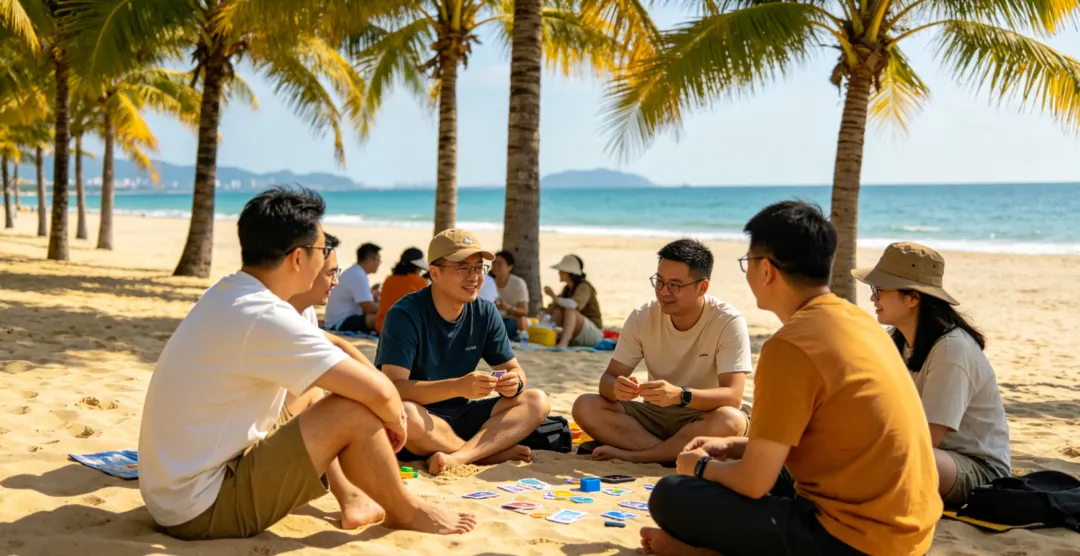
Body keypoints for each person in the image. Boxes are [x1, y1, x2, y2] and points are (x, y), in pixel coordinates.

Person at [139, 187, 476, 541]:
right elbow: (378, 392)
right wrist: (394, 420)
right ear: (298, 257)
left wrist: (384, 408)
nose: (325, 260)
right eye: (321, 250)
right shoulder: (263, 315)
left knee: (320, 394)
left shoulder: (232, 293)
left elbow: (339, 357)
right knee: (352, 408)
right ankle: (407, 511)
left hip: (176, 494)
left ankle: (355, 496)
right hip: (201, 509)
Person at [641, 201, 941, 556]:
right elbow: (819, 442)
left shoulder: (790, 346)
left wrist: (702, 465)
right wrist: (734, 446)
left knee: (671, 495)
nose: (748, 273)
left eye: (747, 263)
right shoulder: (860, 322)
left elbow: (754, 483)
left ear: (766, 269)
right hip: (913, 535)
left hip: (853, 541)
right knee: (745, 475)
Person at [376, 228, 551, 476]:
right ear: (435, 273)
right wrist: (458, 386)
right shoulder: (404, 315)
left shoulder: (485, 312)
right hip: (421, 421)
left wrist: (514, 383)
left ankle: (463, 456)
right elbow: (393, 387)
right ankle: (488, 454)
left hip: (462, 416)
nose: (474, 277)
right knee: (404, 413)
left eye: (479, 268)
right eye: (463, 268)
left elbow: (515, 371)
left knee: (536, 400)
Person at [853, 241, 1011, 506]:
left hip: (977, 471)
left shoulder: (951, 349)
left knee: (891, 457)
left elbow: (926, 439)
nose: (872, 298)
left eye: (878, 289)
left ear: (913, 297)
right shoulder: (900, 342)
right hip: (932, 457)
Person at [572, 239, 752, 464]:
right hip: (655, 417)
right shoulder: (642, 317)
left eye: (675, 285)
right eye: (659, 281)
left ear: (702, 287)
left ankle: (640, 455)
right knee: (586, 405)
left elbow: (733, 397)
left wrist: (679, 395)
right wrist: (617, 388)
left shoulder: (728, 321)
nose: (664, 292)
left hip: (703, 415)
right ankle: (668, 454)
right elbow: (607, 380)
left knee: (730, 421)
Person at [542, 254, 603, 349]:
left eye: (562, 271)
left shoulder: (584, 287)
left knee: (570, 310)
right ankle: (552, 338)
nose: (559, 273)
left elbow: (573, 305)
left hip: (592, 333)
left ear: (569, 273)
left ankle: (563, 343)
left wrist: (554, 297)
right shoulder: (567, 289)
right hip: (578, 332)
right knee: (558, 310)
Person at [325, 242, 382, 333]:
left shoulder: (355, 272)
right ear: (368, 260)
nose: (379, 264)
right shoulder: (358, 275)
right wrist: (387, 308)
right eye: (378, 260)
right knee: (378, 319)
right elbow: (368, 307)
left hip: (338, 320)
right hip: (339, 322)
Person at [375, 247, 430, 334]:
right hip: (406, 331)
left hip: (382, 327)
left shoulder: (389, 280)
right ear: (417, 268)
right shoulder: (420, 282)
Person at [491, 250, 530, 338]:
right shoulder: (488, 281)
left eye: (499, 263)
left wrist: (507, 307)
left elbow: (524, 311)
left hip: (510, 320)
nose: (495, 266)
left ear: (509, 267)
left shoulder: (518, 283)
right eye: (494, 263)